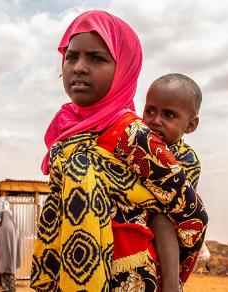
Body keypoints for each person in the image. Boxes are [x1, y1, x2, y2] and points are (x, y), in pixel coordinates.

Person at [30, 10, 208, 292]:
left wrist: (172, 280)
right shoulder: (68, 130)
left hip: (127, 277)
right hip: (68, 272)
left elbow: (191, 214)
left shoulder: (133, 135)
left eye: (97, 58)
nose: (78, 67)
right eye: (71, 56)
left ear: (124, 68)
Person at [143, 73, 203, 292]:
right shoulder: (137, 143)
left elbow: (169, 203)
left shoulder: (187, 159)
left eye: (168, 115)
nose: (155, 120)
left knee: (161, 220)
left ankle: (171, 285)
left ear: (190, 125)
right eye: (150, 110)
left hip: (169, 225)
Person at [0, 210, 21, 292]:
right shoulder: (13, 228)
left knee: (6, 276)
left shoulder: (5, 228)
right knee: (10, 276)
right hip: (11, 256)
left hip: (5, 256)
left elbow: (2, 242)